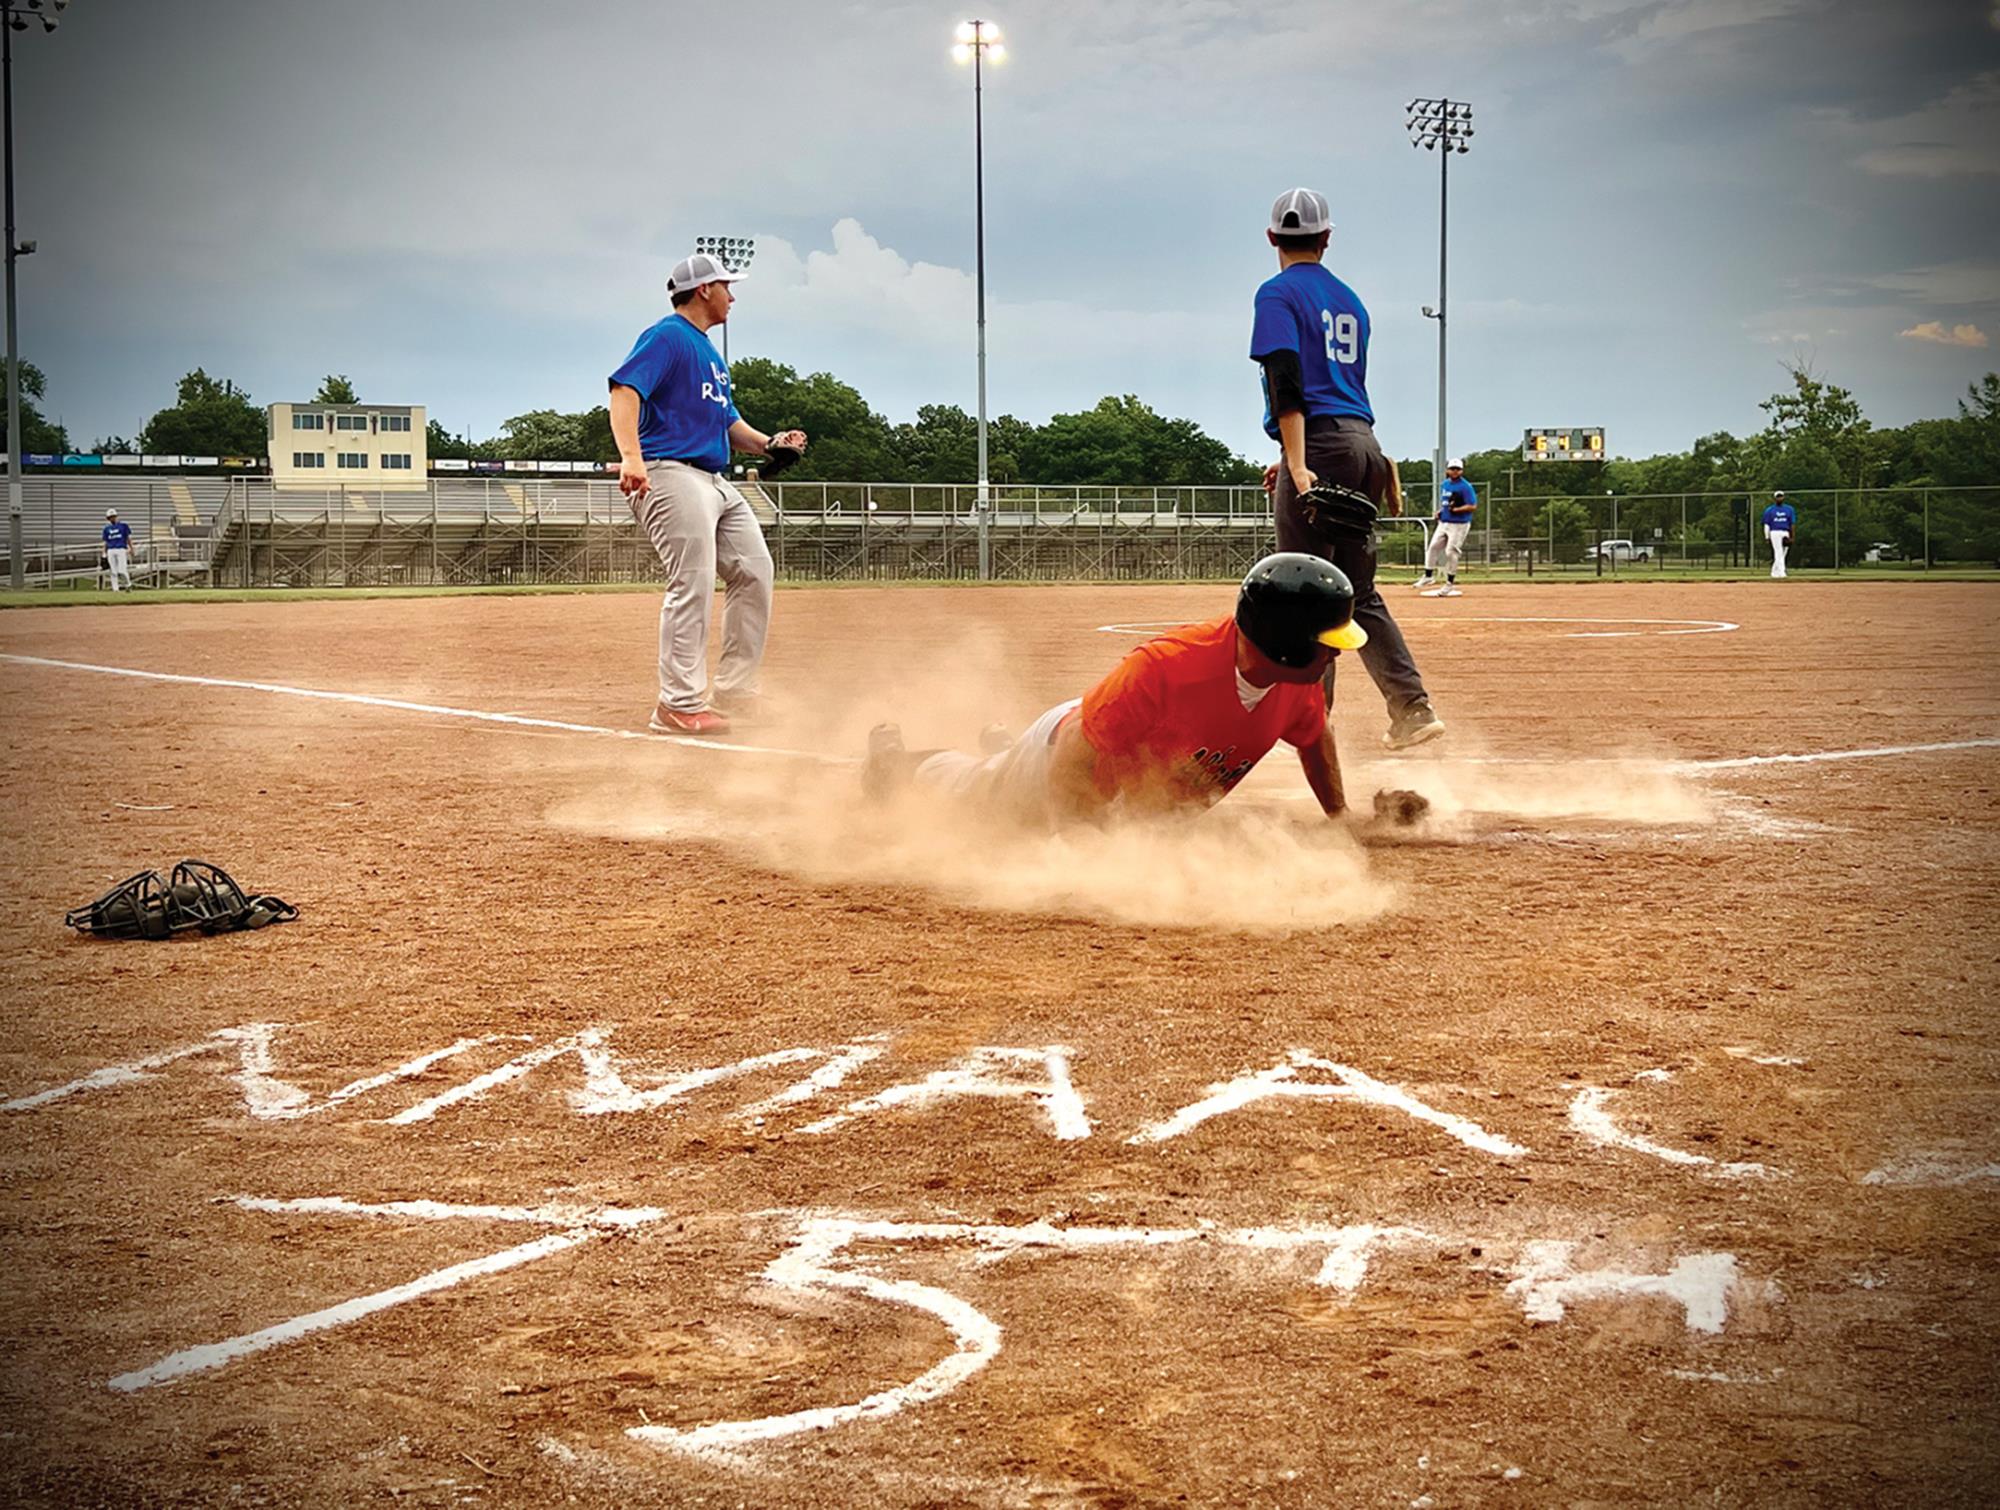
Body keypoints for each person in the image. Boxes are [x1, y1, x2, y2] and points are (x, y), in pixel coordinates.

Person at [864, 553, 1377, 829]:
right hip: (1064, 749)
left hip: (1101, 739)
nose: (1335, 655)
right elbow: (1075, 754)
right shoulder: (1165, 668)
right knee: (981, 800)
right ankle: (894, 764)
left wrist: (1339, 815)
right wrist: (1078, 844)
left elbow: (1316, 738)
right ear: (1280, 640)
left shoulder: (1297, 681)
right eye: (1325, 643)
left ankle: (1002, 748)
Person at [1251, 187, 1445, 751]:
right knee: (1358, 591)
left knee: (1304, 591)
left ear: (1272, 239)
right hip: (1365, 448)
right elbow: (1335, 389)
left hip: (1323, 448)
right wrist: (1288, 458)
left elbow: (1286, 380)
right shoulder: (1350, 301)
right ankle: (1411, 707)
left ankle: (1314, 724)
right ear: (1327, 239)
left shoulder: (1276, 294)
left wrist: (1298, 463)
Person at [608, 251, 808, 737]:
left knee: (755, 571)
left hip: (715, 480)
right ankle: (677, 703)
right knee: (692, 580)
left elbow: (726, 422)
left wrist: (768, 446)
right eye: (726, 286)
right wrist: (631, 457)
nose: (732, 296)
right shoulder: (667, 337)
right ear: (704, 291)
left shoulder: (711, 355)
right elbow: (624, 392)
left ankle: (736, 691)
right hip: (670, 472)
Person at [1414, 458, 1476, 596]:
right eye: (1452, 469)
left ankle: (1449, 584)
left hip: (1459, 524)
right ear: (1447, 470)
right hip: (1444, 522)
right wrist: (1441, 512)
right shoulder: (1445, 484)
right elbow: (1446, 504)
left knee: (1450, 552)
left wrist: (1457, 509)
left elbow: (1472, 506)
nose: (1454, 471)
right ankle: (1428, 576)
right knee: (1432, 548)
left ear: (1461, 471)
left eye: (1457, 469)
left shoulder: (1465, 486)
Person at [1761, 491, 1796, 579]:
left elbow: (1792, 523)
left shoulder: (1789, 509)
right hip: (1774, 532)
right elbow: (1766, 524)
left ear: (1784, 497)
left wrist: (1792, 536)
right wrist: (1767, 536)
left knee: (1784, 553)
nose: (1779, 498)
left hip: (1785, 531)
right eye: (1778, 497)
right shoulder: (1769, 510)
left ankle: (1774, 572)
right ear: (1775, 498)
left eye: (1781, 496)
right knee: (1778, 552)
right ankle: (1782, 572)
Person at [101, 509, 133, 592]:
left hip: (121, 549)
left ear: (116, 516)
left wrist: (131, 548)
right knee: (113, 571)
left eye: (113, 516)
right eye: (110, 517)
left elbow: (128, 538)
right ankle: (115, 589)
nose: (112, 518)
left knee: (122, 570)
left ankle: (128, 584)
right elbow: (105, 542)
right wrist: (104, 553)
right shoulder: (106, 529)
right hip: (111, 550)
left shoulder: (123, 526)